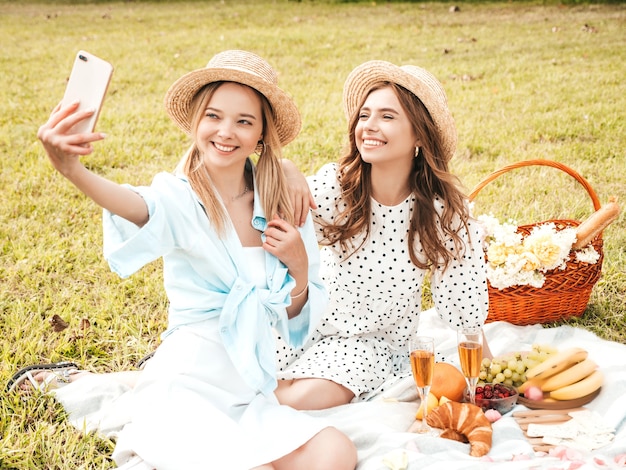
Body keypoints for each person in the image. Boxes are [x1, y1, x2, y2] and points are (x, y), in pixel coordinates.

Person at [34, 49, 357, 470]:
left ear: (261, 135)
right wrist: (72, 169)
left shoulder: (280, 203)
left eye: (244, 121)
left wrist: (297, 265)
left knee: (336, 452)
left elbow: (294, 320)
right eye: (213, 116)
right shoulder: (180, 198)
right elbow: (135, 205)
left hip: (246, 394)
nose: (226, 131)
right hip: (183, 389)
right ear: (196, 123)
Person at [274, 59, 490, 410]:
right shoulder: (336, 187)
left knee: (306, 398)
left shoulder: (444, 213)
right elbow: (254, 204)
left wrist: (486, 379)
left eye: (388, 117)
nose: (369, 127)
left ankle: (239, 412)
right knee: (247, 372)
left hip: (372, 345)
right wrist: (284, 168)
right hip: (306, 323)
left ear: (420, 134)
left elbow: (465, 313)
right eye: (365, 115)